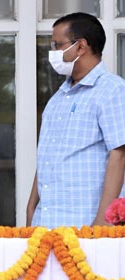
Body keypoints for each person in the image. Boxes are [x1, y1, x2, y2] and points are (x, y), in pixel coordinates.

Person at [27, 12, 125, 228]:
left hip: (86, 224)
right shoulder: (57, 98)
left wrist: (103, 222)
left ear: (80, 47)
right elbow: (47, 157)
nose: (52, 52)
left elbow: (119, 155)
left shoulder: (112, 90)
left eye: (57, 45)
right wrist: (31, 208)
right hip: (45, 224)